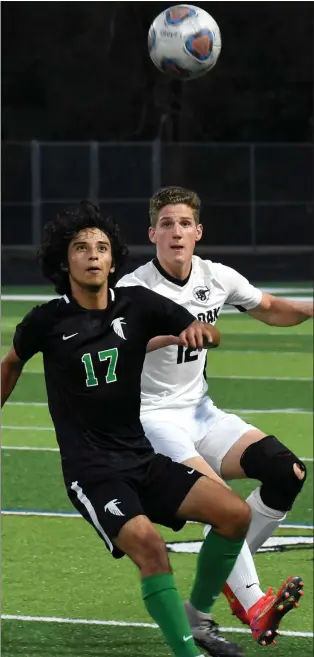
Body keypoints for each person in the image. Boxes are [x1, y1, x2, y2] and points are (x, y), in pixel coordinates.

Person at [1, 200, 254, 657]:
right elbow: (11, 363)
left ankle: (197, 616)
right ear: (65, 260)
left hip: (141, 459)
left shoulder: (136, 304)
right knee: (151, 547)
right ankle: (187, 653)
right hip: (92, 473)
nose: (93, 255)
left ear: (114, 259)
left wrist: (202, 332)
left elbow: (207, 330)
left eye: (101, 247)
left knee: (235, 514)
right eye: (81, 247)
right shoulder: (46, 321)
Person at [117, 186, 311, 646]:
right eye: (166, 224)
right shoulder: (133, 288)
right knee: (220, 500)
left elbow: (272, 309)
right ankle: (254, 602)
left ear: (198, 232)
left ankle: (205, 602)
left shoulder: (216, 277)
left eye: (185, 223)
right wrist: (171, 336)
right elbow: (116, 347)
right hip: (151, 417)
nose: (176, 232)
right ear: (153, 234)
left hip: (201, 411)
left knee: (287, 471)